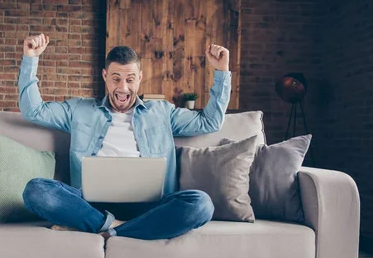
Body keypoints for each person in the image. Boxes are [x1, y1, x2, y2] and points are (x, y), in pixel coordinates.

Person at [19, 33, 232, 240]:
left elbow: (209, 122)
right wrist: (31, 58)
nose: (123, 88)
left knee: (201, 204)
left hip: (150, 208)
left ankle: (107, 229)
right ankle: (115, 226)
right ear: (105, 76)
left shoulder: (162, 112)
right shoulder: (79, 109)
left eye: (130, 79)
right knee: (36, 190)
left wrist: (222, 71)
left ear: (139, 78)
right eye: (116, 79)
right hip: (88, 204)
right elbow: (33, 111)